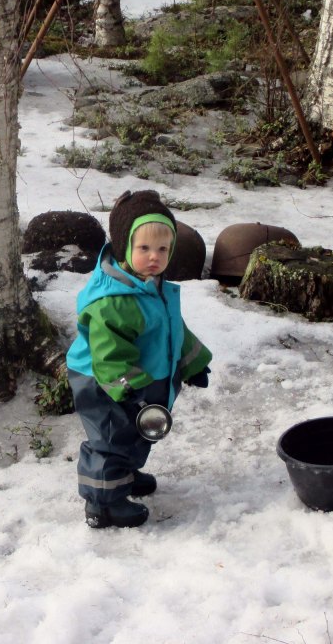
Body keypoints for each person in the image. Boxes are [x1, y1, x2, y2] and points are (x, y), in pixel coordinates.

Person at [66, 191, 212, 528]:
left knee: (136, 432)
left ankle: (125, 476)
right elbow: (109, 354)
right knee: (112, 438)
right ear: (124, 247)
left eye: (163, 249)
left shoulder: (151, 287)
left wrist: (193, 362)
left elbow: (173, 329)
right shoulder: (113, 302)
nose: (154, 257)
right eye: (144, 248)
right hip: (107, 384)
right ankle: (103, 503)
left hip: (142, 379)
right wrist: (128, 387)